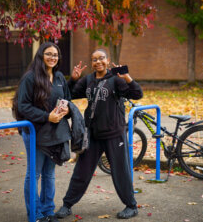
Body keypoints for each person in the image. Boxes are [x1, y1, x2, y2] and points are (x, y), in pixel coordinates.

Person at [55, 49, 143, 219]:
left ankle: (131, 206)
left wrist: (127, 78)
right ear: (92, 62)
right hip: (93, 135)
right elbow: (69, 94)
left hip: (114, 134)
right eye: (94, 59)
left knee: (121, 171)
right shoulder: (87, 80)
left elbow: (137, 94)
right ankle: (67, 205)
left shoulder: (116, 80)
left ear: (108, 61)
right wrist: (73, 79)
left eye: (101, 58)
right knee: (81, 171)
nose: (98, 62)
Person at [12, 42, 71, 222]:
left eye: (55, 55)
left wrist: (66, 109)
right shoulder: (31, 78)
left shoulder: (59, 77)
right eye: (48, 54)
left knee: (49, 174)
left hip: (54, 133)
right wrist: (47, 117)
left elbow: (67, 99)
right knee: (35, 173)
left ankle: (48, 211)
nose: (53, 57)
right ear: (40, 55)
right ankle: (35, 214)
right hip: (35, 132)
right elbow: (22, 106)